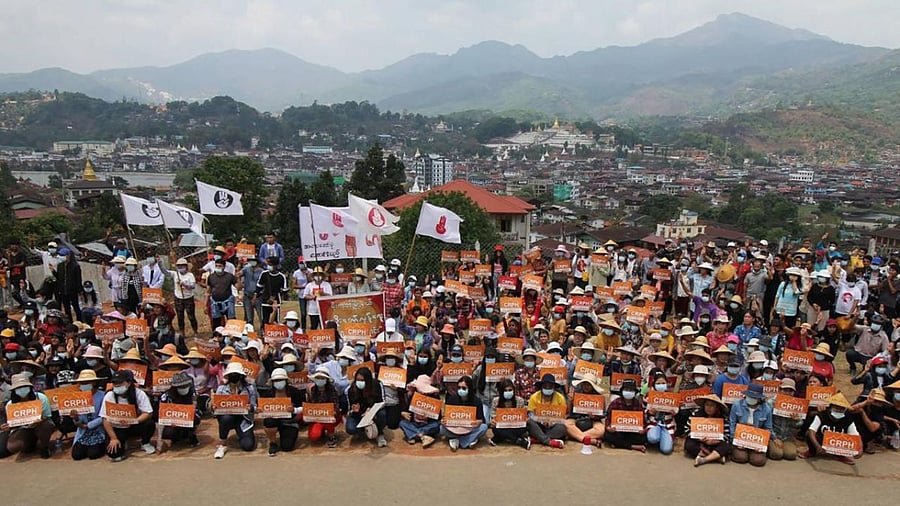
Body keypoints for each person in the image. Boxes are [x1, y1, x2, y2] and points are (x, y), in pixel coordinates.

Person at [100, 370, 156, 461]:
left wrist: (135, 421)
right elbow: (105, 419)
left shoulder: (139, 393)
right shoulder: (109, 395)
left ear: (129, 383)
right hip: (117, 427)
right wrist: (113, 438)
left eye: (120, 382)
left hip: (133, 425)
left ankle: (145, 443)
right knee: (115, 455)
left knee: (149, 423)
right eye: (114, 383)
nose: (117, 385)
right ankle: (122, 442)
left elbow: (148, 412)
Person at [800, 393, 863, 465]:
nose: (839, 410)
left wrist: (860, 449)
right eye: (836, 407)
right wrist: (817, 446)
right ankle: (811, 452)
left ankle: (840, 455)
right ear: (831, 407)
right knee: (808, 434)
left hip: (838, 443)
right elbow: (812, 431)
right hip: (821, 440)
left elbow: (856, 435)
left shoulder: (847, 419)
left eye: (842, 408)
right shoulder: (822, 415)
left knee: (849, 440)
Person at [1, 373, 54, 459]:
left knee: (46, 426)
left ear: (30, 387)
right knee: (12, 446)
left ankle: (44, 447)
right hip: (23, 429)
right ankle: (30, 443)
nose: (22, 389)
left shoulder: (41, 398)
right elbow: (12, 423)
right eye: (18, 388)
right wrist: (8, 427)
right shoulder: (10, 405)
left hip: (40, 426)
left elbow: (48, 416)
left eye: (24, 387)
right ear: (14, 390)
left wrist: (41, 419)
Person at [213, 362, 258, 459]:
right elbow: (216, 410)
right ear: (228, 376)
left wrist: (251, 408)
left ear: (241, 375)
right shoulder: (221, 389)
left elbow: (255, 407)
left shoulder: (250, 388)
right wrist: (213, 407)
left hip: (244, 419)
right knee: (226, 419)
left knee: (248, 446)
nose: (234, 376)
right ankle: (223, 443)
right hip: (227, 417)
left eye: (236, 374)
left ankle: (242, 434)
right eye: (232, 375)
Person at [262, 368, 305, 456]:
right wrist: (260, 410)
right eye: (276, 380)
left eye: (281, 380)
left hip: (290, 421)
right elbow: (262, 409)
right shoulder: (268, 394)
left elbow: (304, 407)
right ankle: (273, 443)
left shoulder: (295, 392)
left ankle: (286, 434)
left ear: (286, 381)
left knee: (287, 447)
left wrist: (295, 410)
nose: (279, 382)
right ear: (273, 382)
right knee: (268, 422)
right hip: (273, 420)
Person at [728, 383, 773, 466]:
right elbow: (732, 423)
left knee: (758, 461)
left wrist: (761, 445)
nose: (751, 398)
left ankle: (759, 452)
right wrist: (735, 441)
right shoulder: (737, 404)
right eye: (750, 396)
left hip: (756, 439)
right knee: (741, 457)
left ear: (760, 398)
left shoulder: (767, 409)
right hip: (740, 438)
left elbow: (768, 428)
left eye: (754, 397)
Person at [441, 375, 488, 451]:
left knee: (484, 427)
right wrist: (443, 421)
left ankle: (457, 440)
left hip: (470, 428)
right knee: (442, 429)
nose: (461, 390)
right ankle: (470, 440)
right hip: (455, 429)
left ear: (469, 388)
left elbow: (481, 419)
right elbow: (445, 417)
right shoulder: (452, 399)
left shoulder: (477, 401)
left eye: (464, 388)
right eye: (459, 388)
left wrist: (478, 422)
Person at [683, 394, 732, 466]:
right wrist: (699, 438)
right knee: (689, 445)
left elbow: (727, 435)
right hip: (700, 443)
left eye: (712, 405)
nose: (709, 408)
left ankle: (703, 459)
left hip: (715, 444)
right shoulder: (696, 414)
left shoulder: (723, 417)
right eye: (707, 405)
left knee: (727, 446)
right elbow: (687, 430)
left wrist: (716, 441)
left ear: (717, 407)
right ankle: (715, 457)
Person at [70, 369, 108, 460]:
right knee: (77, 455)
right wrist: (75, 418)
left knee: (93, 454)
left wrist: (89, 425)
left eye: (86, 382)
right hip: (83, 431)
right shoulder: (76, 398)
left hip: (98, 430)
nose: (83, 385)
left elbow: (104, 416)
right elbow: (78, 421)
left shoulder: (103, 396)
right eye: (81, 383)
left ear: (94, 383)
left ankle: (103, 444)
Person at [345, 366, 387, 447]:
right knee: (350, 428)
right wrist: (354, 410)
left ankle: (380, 433)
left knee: (382, 414)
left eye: (362, 380)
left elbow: (383, 402)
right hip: (360, 414)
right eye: (358, 380)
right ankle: (364, 429)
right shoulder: (351, 390)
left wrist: (372, 410)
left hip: (375, 412)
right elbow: (349, 409)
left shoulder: (377, 384)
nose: (359, 382)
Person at [525, 373, 567, 449]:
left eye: (550, 386)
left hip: (553, 426)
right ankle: (548, 441)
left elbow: (562, 417)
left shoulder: (560, 398)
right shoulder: (534, 397)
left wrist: (552, 422)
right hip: (539, 425)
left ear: (554, 387)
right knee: (529, 422)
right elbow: (530, 415)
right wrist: (541, 421)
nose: (547, 388)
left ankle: (538, 439)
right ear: (541, 387)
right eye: (545, 386)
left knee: (562, 428)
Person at [159, 372, 201, 448]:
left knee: (195, 419)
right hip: (172, 420)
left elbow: (196, 408)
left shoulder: (193, 393)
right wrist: (170, 421)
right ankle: (176, 436)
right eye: (180, 386)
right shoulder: (166, 396)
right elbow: (162, 414)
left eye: (185, 385)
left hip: (189, 417)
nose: (183, 388)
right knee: (168, 433)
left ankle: (191, 434)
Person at [564, 372, 605, 448]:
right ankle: (589, 440)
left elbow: (603, 414)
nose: (586, 386)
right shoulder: (575, 393)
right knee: (566, 424)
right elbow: (568, 413)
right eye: (584, 384)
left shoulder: (599, 397)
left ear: (593, 386)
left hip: (593, 421)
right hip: (575, 419)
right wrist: (570, 401)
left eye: (589, 385)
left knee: (602, 430)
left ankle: (575, 436)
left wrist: (594, 416)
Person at [399, 374, 442, 447]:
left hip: (428, 424)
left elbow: (439, 417)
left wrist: (430, 414)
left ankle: (413, 435)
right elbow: (406, 410)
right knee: (402, 423)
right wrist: (403, 413)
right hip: (414, 423)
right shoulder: (413, 396)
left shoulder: (435, 397)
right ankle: (423, 437)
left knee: (437, 426)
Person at [605, 379, 646, 452]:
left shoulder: (637, 404)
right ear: (622, 391)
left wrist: (642, 429)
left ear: (635, 392)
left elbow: (643, 420)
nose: (629, 392)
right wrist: (609, 428)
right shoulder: (616, 402)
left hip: (633, 432)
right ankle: (633, 446)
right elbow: (608, 418)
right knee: (608, 436)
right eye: (626, 389)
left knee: (644, 438)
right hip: (618, 432)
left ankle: (619, 444)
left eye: (631, 390)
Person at [489, 378, 531, 449]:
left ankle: (499, 438)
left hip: (516, 427)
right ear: (501, 391)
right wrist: (493, 421)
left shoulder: (520, 401)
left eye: (510, 390)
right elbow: (493, 416)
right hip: (502, 427)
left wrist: (525, 419)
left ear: (513, 390)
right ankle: (518, 441)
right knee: (495, 429)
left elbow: (525, 416)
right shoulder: (496, 401)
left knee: (527, 426)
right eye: (505, 390)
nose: (508, 392)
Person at [306, 367, 341, 448]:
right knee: (313, 437)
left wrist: (334, 411)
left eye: (322, 378)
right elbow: (309, 405)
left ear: (326, 380)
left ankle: (331, 437)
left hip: (330, 417)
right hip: (316, 417)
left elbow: (336, 404)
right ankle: (321, 431)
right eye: (318, 378)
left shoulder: (332, 390)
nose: (320, 380)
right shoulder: (312, 390)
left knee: (330, 420)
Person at [645, 372, 676, 455]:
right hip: (654, 423)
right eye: (658, 383)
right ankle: (656, 437)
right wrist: (649, 412)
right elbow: (643, 410)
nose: (661, 385)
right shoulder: (649, 396)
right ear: (654, 384)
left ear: (667, 383)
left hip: (667, 425)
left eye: (663, 383)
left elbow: (677, 411)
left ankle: (663, 438)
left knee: (666, 450)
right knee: (653, 438)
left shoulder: (672, 396)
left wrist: (674, 412)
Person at [167, 258, 198, 336]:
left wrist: (184, 285)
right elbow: (165, 272)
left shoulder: (190, 275)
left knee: (191, 316)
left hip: (188, 298)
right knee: (180, 316)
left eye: (182, 266)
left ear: (186, 266)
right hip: (178, 298)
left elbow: (193, 286)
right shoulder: (175, 274)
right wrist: (160, 263)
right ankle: (182, 332)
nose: (180, 268)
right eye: (179, 266)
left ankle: (195, 331)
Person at [256, 257, 289, 324]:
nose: (268, 266)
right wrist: (257, 295)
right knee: (265, 320)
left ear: (275, 265)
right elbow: (259, 287)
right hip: (265, 301)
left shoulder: (281, 276)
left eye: (270, 264)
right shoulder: (264, 274)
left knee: (275, 321)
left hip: (276, 302)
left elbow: (284, 290)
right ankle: (264, 332)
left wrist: (276, 297)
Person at [206, 258, 236, 330]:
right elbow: (208, 290)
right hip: (215, 301)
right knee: (216, 320)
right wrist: (206, 302)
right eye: (216, 266)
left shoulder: (229, 276)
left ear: (224, 267)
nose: (218, 267)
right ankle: (216, 335)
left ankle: (232, 334)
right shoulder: (211, 277)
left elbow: (238, 286)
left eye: (220, 266)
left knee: (231, 319)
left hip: (227, 300)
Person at [55, 248, 83, 322]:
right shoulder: (60, 266)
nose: (61, 256)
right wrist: (53, 272)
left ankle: (79, 321)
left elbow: (78, 279)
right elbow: (59, 278)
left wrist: (80, 290)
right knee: (67, 308)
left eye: (63, 255)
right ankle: (69, 322)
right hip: (63, 290)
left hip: (72, 290)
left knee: (76, 307)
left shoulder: (75, 266)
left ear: (68, 255)